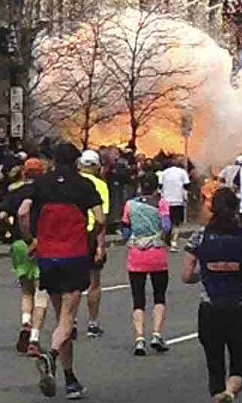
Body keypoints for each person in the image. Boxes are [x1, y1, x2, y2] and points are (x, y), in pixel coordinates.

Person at [19, 143, 105, 400]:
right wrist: (90, 235)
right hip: (74, 254)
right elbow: (100, 219)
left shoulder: (40, 184)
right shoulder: (84, 185)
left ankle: (70, 379)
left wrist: (31, 239)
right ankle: (52, 355)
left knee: (60, 318)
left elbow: (23, 211)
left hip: (47, 254)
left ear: (54, 160)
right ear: (77, 162)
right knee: (68, 319)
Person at [182, 188, 242, 403]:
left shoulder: (199, 236)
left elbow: (187, 275)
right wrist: (240, 272)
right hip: (240, 306)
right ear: (236, 208)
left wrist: (206, 273)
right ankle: (230, 393)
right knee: (240, 365)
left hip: (210, 307)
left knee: (214, 364)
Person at [0, 158, 49, 356]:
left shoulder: (15, 192)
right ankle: (35, 338)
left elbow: (2, 214)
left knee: (26, 290)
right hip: (40, 243)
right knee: (41, 292)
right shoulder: (44, 192)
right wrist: (32, 238)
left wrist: (10, 230)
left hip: (18, 244)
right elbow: (25, 212)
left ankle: (25, 322)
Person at [122, 173, 172, 356]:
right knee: (159, 296)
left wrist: (133, 239)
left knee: (138, 298)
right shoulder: (161, 204)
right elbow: (167, 226)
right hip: (157, 254)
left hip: (136, 255)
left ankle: (139, 339)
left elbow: (125, 228)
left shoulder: (130, 204)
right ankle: (157, 334)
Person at [78, 150, 110, 338]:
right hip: (91, 234)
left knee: (71, 282)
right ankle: (92, 322)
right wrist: (101, 244)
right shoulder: (100, 185)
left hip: (72, 235)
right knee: (94, 281)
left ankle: (69, 321)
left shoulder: (72, 181)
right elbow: (102, 218)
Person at [160, 157, 190, 252]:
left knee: (166, 221)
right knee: (176, 223)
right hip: (178, 200)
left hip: (166, 201)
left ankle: (166, 240)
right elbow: (187, 186)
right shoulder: (182, 172)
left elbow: (160, 186)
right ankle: (174, 242)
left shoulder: (164, 173)